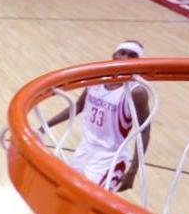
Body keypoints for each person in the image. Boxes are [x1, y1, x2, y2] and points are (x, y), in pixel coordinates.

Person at [41, 40, 152, 192]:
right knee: (66, 193)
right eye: (122, 53)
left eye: (132, 55)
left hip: (110, 158)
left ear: (138, 62)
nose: (126, 58)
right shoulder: (97, 79)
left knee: (88, 200)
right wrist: (44, 126)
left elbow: (144, 130)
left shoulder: (137, 92)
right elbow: (78, 106)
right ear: (114, 55)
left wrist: (133, 170)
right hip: (84, 149)